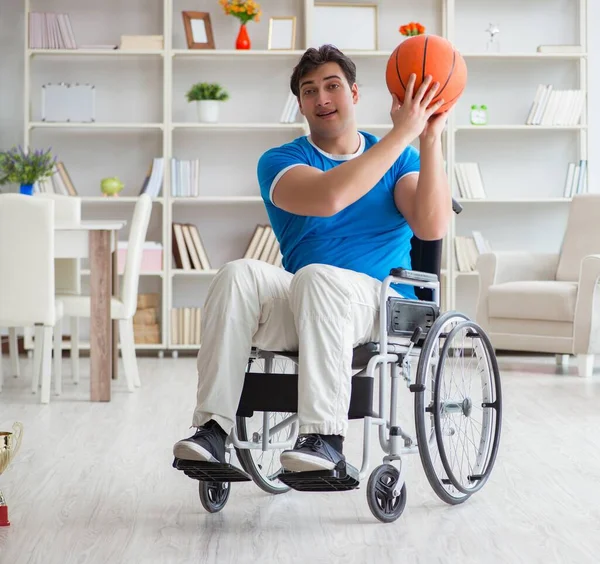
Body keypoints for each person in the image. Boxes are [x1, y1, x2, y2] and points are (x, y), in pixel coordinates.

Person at [172, 44, 451, 474]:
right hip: (306, 298)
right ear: (299, 104)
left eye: (332, 86)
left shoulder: (402, 160)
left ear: (354, 94)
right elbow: (329, 197)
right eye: (309, 91)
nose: (321, 98)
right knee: (238, 273)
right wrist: (403, 133)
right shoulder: (280, 161)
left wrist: (427, 137)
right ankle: (211, 430)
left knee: (318, 278)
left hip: (375, 304)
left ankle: (324, 438)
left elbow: (431, 227)